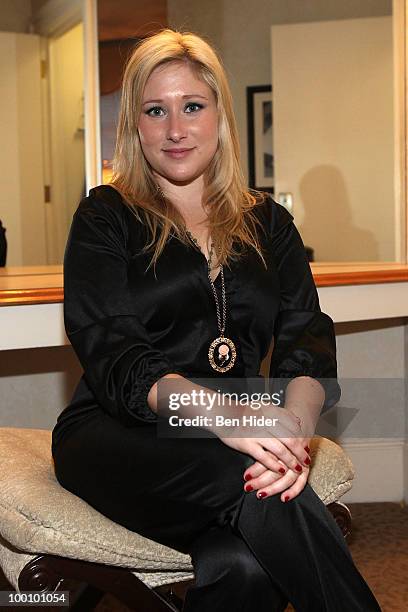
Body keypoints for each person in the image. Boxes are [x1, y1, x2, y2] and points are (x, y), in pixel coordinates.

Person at [52, 29, 381, 611]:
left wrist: (295, 429)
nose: (176, 130)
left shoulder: (269, 223)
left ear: (220, 117)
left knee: (243, 566)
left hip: (241, 433)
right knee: (246, 468)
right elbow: (117, 354)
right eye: (156, 111)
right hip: (119, 433)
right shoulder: (106, 217)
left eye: (192, 107)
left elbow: (307, 337)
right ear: (135, 124)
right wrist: (229, 419)